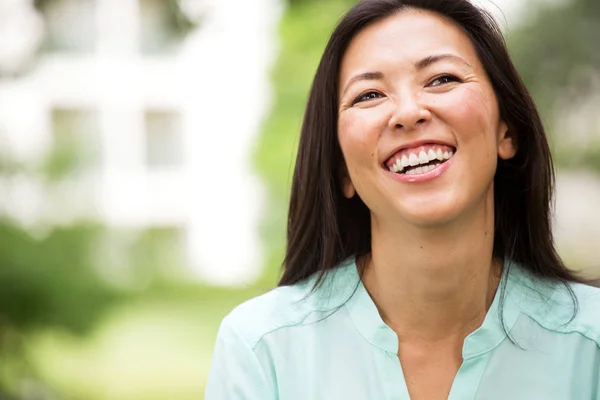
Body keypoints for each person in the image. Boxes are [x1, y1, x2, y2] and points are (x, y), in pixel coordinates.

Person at [205, 0, 600, 398]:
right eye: (369, 95)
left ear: (507, 131)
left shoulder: (591, 343)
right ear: (342, 169)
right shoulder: (262, 350)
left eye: (442, 79)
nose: (408, 112)